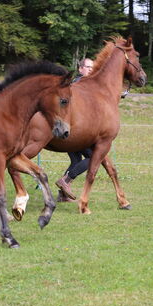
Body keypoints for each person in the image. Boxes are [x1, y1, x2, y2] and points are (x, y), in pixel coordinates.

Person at [55, 58, 94, 202]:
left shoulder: (84, 84)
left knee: (76, 160)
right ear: (80, 68)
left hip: (74, 130)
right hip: (76, 131)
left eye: (92, 68)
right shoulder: (78, 84)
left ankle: (63, 195)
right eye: (88, 67)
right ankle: (66, 180)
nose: (91, 70)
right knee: (94, 157)